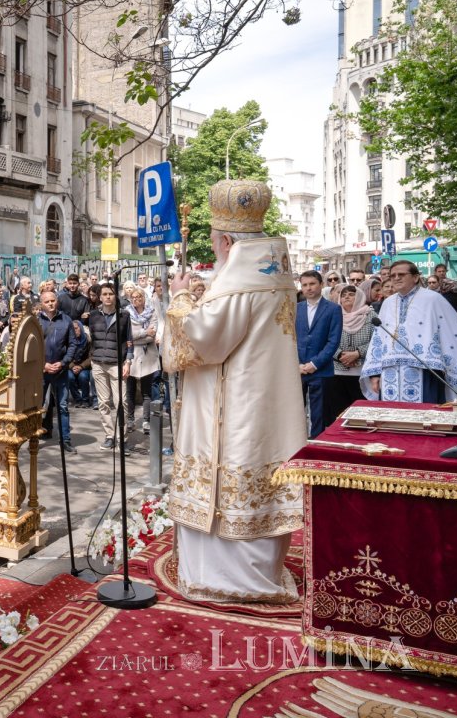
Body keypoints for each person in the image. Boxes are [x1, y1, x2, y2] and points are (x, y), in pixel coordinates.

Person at [161, 178, 305, 603]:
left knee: (229, 472)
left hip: (235, 408)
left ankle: (224, 580)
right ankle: (260, 573)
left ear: (225, 240)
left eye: (213, 239)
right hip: (266, 404)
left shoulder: (238, 285)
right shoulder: (274, 275)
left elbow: (203, 339)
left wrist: (182, 297)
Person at [363, 260, 457, 403]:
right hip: (390, 372)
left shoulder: (433, 299)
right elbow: (378, 339)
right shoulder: (388, 303)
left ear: (415, 277)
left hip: (425, 370)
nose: (396, 278)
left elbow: (456, 332)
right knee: (392, 417)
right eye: (392, 275)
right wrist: (375, 374)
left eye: (401, 274)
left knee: (426, 417)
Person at [295, 270, 343, 438]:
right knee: (295, 413)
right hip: (298, 369)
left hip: (321, 370)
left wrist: (315, 364)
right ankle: (296, 445)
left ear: (321, 285)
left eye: (312, 284)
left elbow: (333, 341)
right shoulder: (295, 309)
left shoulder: (333, 309)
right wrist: (297, 364)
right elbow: (289, 339)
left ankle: (316, 445)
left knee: (319, 415)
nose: (308, 288)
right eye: (305, 285)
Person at [323, 284, 376, 425]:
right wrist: (340, 355)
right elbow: (325, 339)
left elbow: (378, 341)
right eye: (343, 294)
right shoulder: (334, 314)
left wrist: (358, 353)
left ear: (359, 296)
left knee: (361, 415)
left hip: (362, 373)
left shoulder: (370, 315)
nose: (346, 296)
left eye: (351, 294)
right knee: (338, 415)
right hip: (337, 373)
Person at [88, 283, 131, 449]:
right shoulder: (93, 316)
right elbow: (92, 337)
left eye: (110, 294)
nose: (107, 297)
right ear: (100, 297)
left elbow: (129, 340)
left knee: (121, 401)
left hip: (117, 364)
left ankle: (122, 437)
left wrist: (128, 361)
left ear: (116, 296)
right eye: (104, 294)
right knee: (103, 402)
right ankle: (109, 435)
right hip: (98, 363)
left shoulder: (124, 315)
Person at [39, 288, 82, 453]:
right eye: (47, 301)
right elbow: (31, 347)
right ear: (41, 304)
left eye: (53, 300)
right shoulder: (36, 321)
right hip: (41, 372)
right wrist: (43, 364)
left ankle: (65, 440)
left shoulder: (66, 320)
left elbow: (73, 344)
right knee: (37, 406)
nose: (50, 304)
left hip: (60, 371)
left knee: (63, 406)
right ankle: (34, 436)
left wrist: (63, 363)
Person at [124, 287, 160, 428]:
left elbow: (152, 336)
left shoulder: (152, 312)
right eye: (133, 297)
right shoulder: (126, 313)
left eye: (139, 297)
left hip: (148, 355)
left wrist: (137, 336)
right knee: (130, 390)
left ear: (144, 298)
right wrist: (144, 332)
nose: (136, 300)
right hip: (131, 355)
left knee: (147, 391)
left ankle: (146, 420)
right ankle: (130, 419)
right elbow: (128, 336)